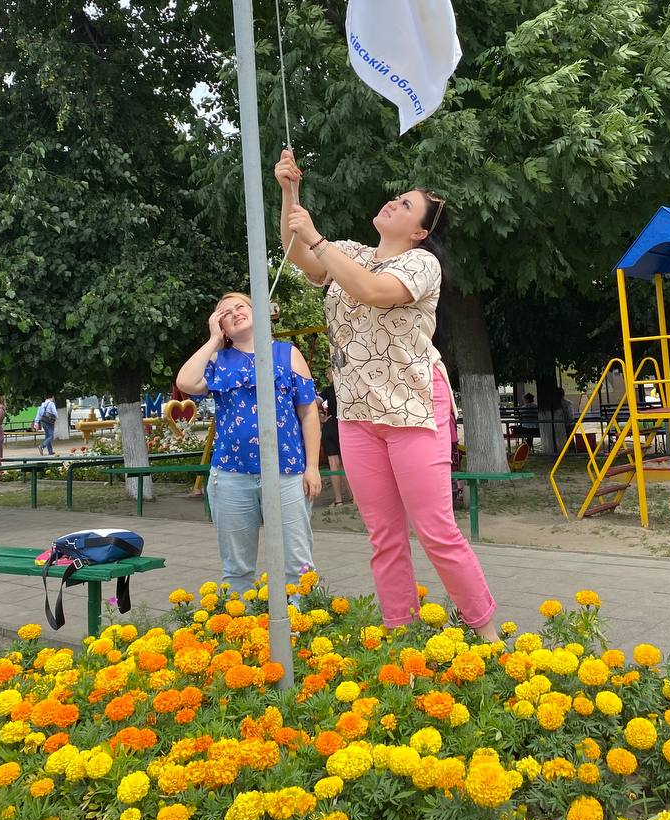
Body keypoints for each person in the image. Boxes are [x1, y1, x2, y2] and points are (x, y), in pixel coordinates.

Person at [275, 149, 499, 641]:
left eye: (405, 204)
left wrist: (317, 236)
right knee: (384, 536)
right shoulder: (350, 253)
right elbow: (298, 253)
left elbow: (374, 291)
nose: (393, 204)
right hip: (357, 412)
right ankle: (401, 638)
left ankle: (487, 634)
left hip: (414, 407)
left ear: (419, 231)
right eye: (396, 197)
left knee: (437, 531)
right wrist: (289, 191)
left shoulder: (421, 264)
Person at [176, 291, 322, 593]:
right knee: (237, 570)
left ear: (259, 312)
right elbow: (186, 383)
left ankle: (300, 631)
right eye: (224, 312)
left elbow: (308, 413)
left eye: (240, 306)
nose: (234, 312)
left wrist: (313, 467)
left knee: (297, 566)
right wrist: (214, 340)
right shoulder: (218, 359)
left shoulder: (287, 353)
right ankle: (242, 632)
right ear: (221, 325)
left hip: (287, 473)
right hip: (231, 476)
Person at [319, 368, 351, 508]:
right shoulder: (338, 388)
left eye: (328, 372)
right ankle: (346, 498)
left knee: (340, 464)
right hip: (338, 426)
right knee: (340, 463)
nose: (326, 375)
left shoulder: (334, 388)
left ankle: (346, 498)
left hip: (337, 426)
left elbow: (315, 402)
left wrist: (320, 416)